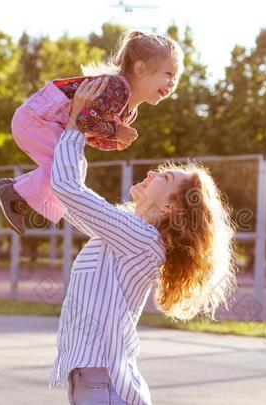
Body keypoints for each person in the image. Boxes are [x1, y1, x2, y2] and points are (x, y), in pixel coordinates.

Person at [47, 78, 237, 405]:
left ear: (169, 207)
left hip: (103, 384)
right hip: (93, 380)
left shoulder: (141, 239)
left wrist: (77, 123)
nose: (150, 174)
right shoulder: (128, 234)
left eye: (162, 178)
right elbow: (70, 200)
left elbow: (68, 189)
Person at [0, 30, 184, 236]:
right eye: (168, 74)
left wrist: (114, 141)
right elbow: (84, 121)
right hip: (37, 119)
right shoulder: (117, 89)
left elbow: (90, 134)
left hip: (43, 121)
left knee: (73, 166)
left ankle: (19, 195)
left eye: (176, 77)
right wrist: (115, 131)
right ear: (140, 69)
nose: (172, 83)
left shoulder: (128, 108)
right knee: (65, 168)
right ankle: (13, 194)